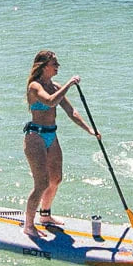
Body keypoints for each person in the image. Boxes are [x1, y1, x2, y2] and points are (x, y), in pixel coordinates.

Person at [22, 50, 98, 238]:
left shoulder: (55, 86)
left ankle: (45, 216)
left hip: (51, 135)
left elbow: (70, 111)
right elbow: (49, 102)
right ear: (43, 66)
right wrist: (69, 84)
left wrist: (89, 130)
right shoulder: (34, 86)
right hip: (35, 136)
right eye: (54, 63)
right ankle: (29, 226)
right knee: (41, 183)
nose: (58, 66)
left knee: (55, 178)